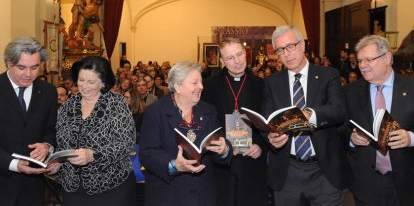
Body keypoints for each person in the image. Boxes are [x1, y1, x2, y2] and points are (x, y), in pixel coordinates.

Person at [264, 26, 351, 205]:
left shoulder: (328, 75)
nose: (286, 54)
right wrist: (270, 136)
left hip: (323, 170)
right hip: (287, 171)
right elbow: (267, 120)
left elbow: (338, 110)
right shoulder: (272, 82)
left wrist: (309, 115)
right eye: (280, 50)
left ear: (302, 45)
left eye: (290, 46)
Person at [139, 61, 232, 206]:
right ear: (177, 86)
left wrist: (224, 150)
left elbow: (217, 148)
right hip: (168, 195)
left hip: (203, 196)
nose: (201, 87)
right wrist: (174, 165)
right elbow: (147, 154)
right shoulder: (155, 112)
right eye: (195, 83)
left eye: (201, 82)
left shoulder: (209, 111)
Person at [50, 56, 136, 205]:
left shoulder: (116, 104)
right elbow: (61, 142)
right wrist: (57, 162)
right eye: (81, 80)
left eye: (91, 82)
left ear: (103, 83)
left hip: (111, 186)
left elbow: (126, 143)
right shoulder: (68, 105)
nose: (84, 86)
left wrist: (93, 155)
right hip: (73, 188)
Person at [343, 35, 414, 206]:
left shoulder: (411, 89)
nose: (362, 65)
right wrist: (351, 139)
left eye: (368, 59)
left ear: (388, 58)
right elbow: (341, 128)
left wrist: (411, 138)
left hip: (407, 181)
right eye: (360, 61)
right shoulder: (351, 92)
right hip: (365, 182)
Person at [202, 37, 268, 206]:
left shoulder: (262, 85)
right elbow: (206, 122)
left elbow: (268, 121)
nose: (237, 61)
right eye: (230, 58)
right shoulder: (209, 86)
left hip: (253, 162)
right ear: (222, 61)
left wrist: (260, 144)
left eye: (239, 54)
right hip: (221, 164)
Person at [0, 36, 58, 205]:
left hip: (33, 188)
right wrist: (13, 164)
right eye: (21, 67)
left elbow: (51, 128)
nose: (28, 74)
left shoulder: (48, 92)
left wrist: (47, 145)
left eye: (34, 67)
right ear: (8, 63)